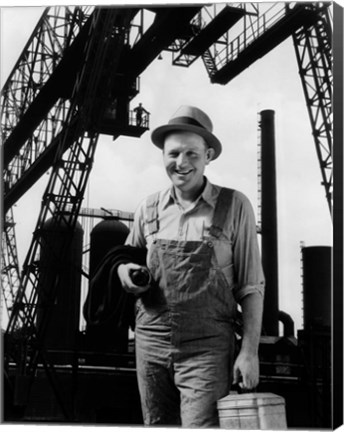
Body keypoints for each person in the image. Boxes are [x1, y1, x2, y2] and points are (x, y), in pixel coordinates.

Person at [117, 105, 265, 427]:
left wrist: (250, 351)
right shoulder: (149, 208)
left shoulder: (234, 206)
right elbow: (126, 258)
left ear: (208, 155)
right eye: (173, 154)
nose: (181, 163)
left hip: (208, 347)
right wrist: (124, 272)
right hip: (151, 343)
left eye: (192, 154)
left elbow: (251, 285)